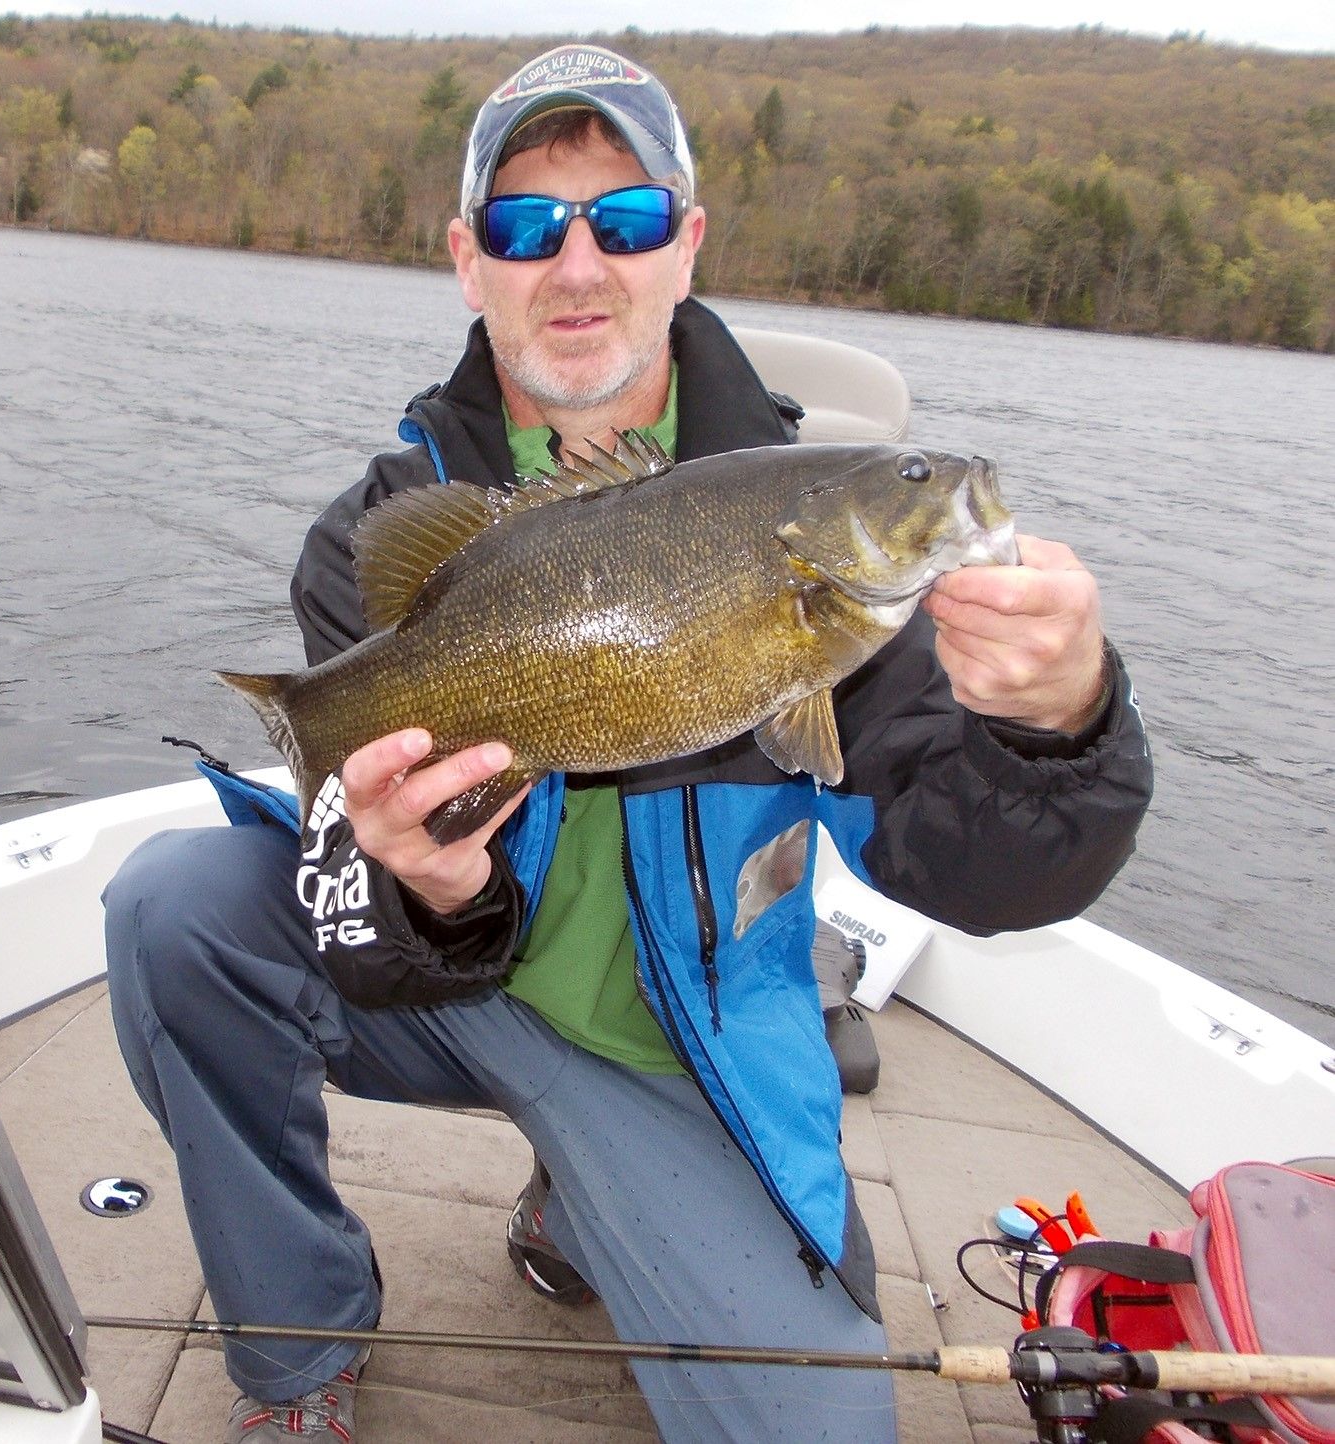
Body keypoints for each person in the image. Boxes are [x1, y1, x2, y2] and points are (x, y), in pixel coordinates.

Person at [103, 41, 1151, 1444]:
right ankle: (299, 1355)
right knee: (175, 910)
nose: (578, 262)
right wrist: (424, 883)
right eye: (530, 223)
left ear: (686, 247)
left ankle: (593, 1182)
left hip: (680, 1049)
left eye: (627, 218)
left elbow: (983, 881)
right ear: (470, 261)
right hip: (450, 988)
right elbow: (351, 905)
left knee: (816, 1432)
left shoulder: (831, 562)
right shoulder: (385, 532)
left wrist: (1052, 720)